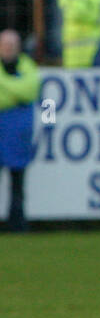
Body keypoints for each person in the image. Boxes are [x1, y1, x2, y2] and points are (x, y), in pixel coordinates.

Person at [0, 29, 39, 232]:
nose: (8, 49)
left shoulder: (28, 66)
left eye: (12, 45)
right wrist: (17, 93)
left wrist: (5, 86)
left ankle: (17, 223)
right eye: (5, 45)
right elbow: (22, 92)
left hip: (20, 135)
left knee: (18, 184)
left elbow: (31, 91)